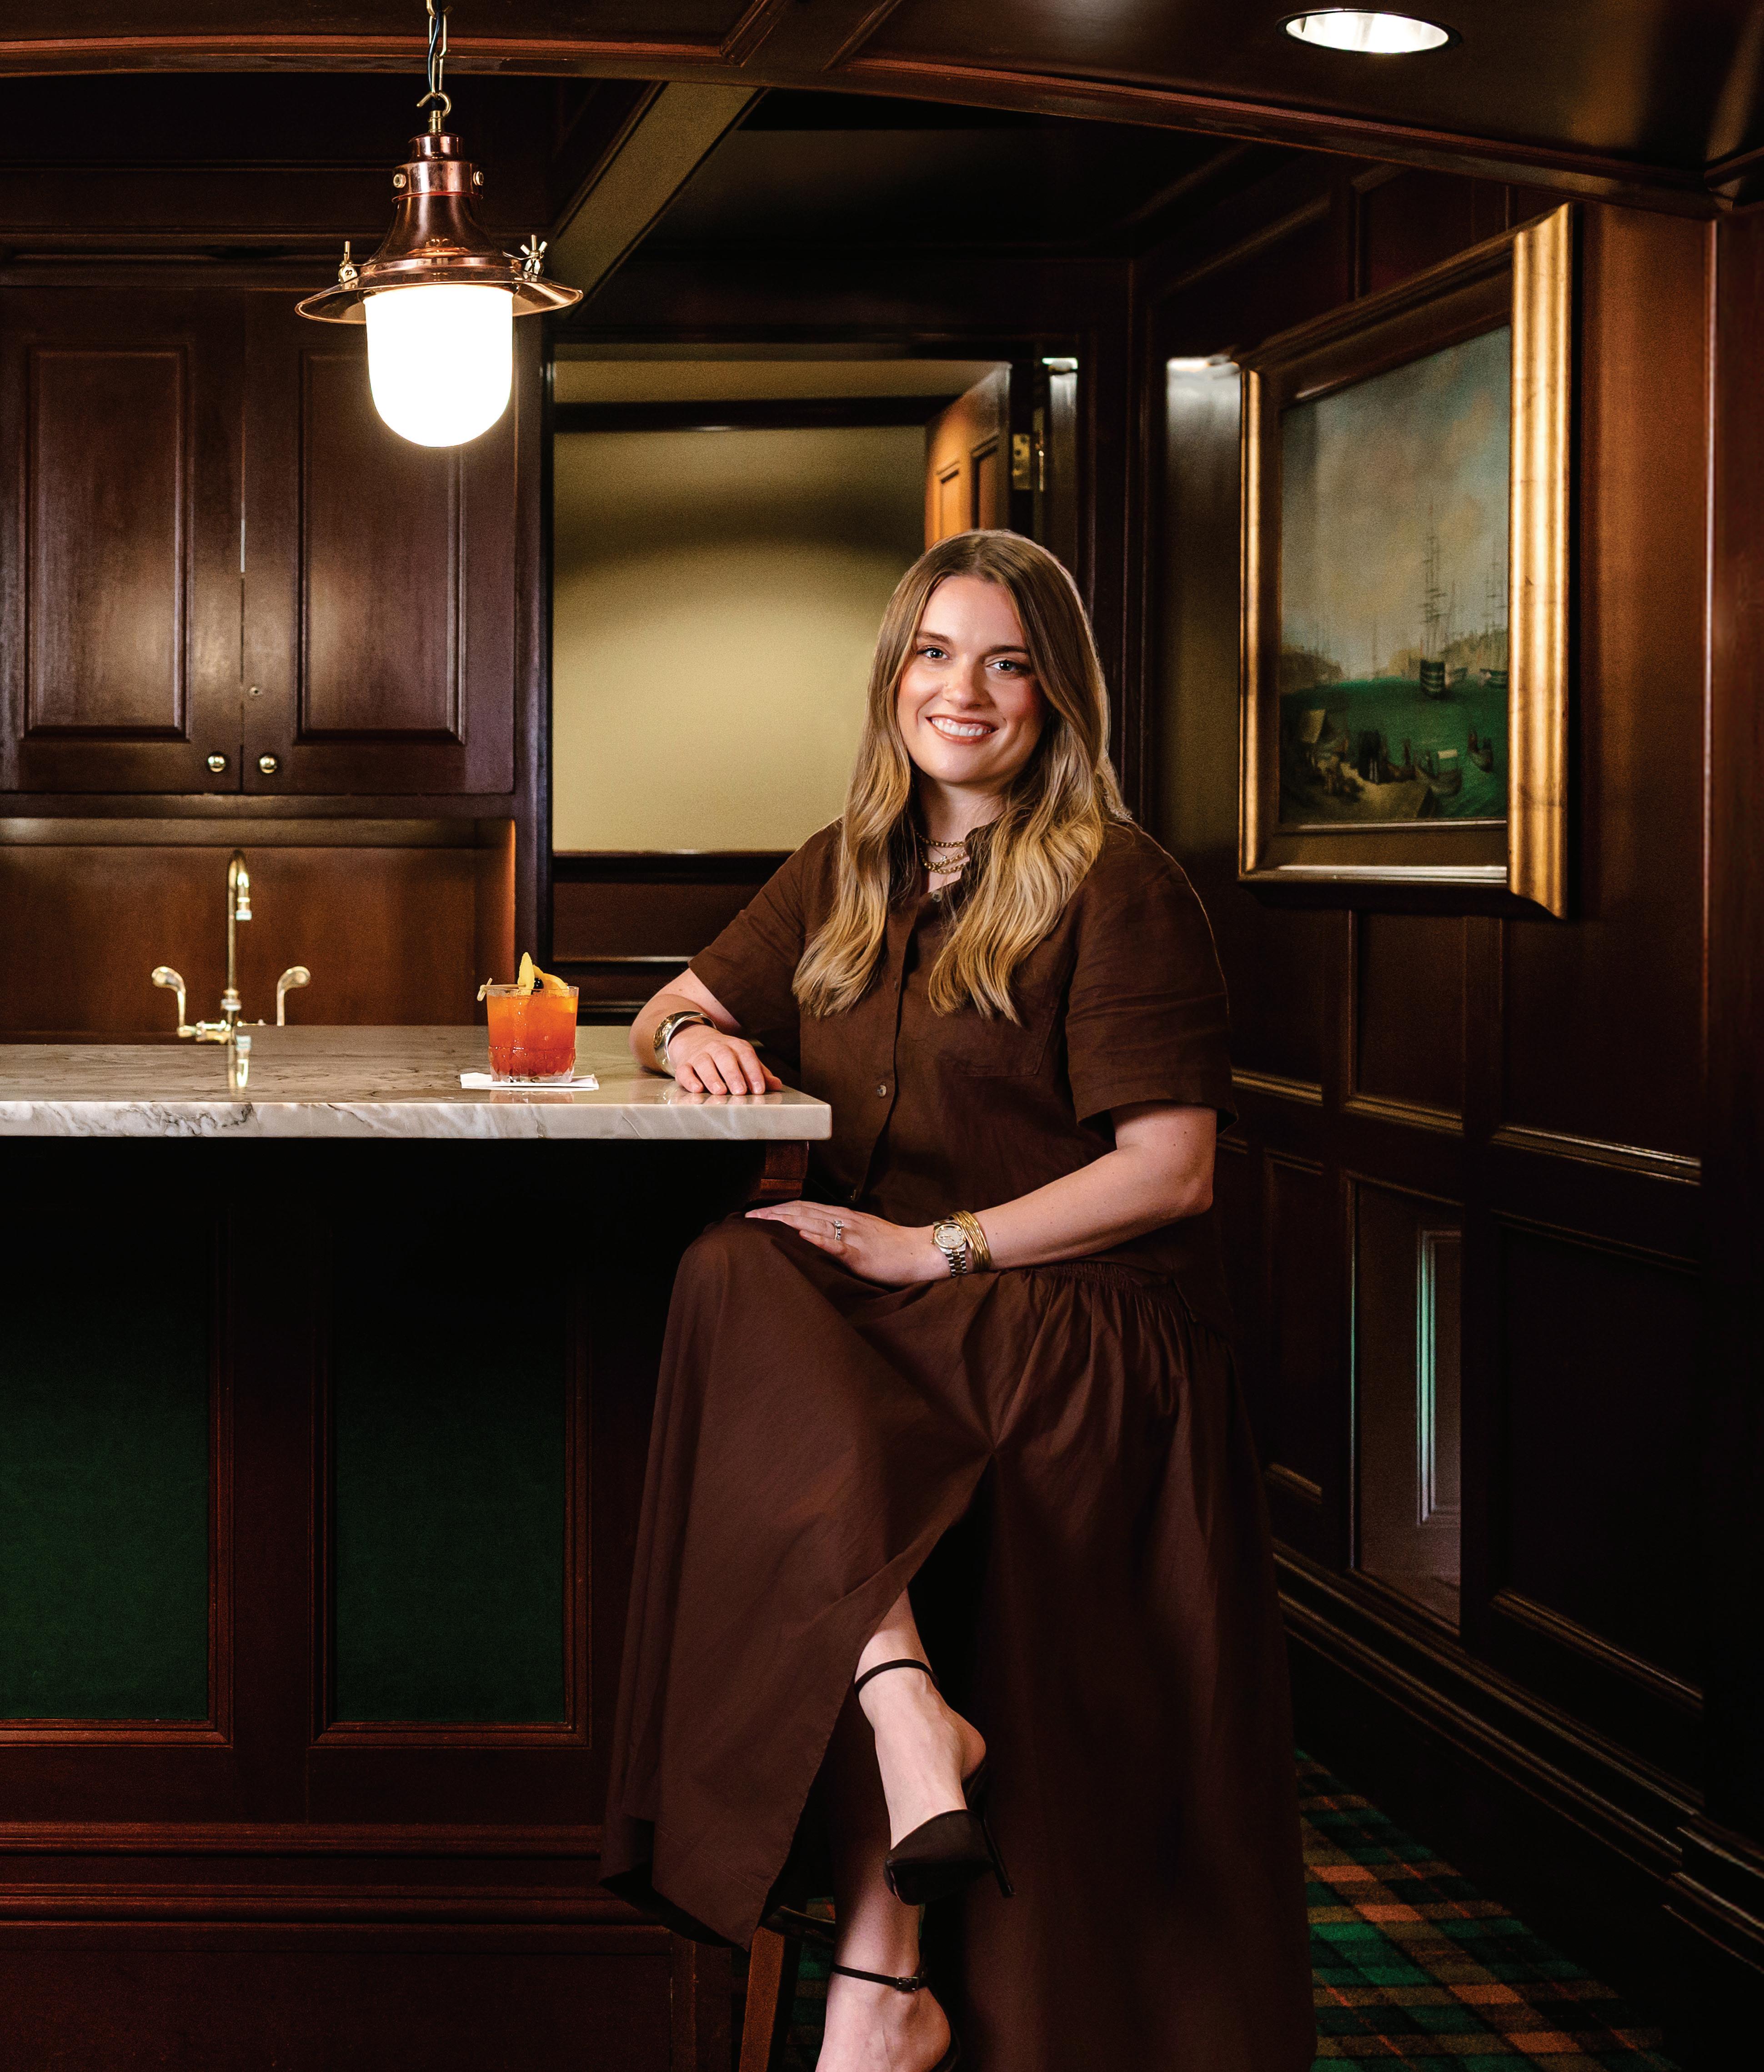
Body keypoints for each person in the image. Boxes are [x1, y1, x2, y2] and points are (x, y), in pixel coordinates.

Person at [603, 530, 1315, 2072]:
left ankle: (881, 1973)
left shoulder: (1120, 882)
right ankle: (907, 1714)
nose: (964, 693)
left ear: (1057, 697)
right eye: (934, 654)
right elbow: (671, 1003)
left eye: (1007, 664)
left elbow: (1174, 1173)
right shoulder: (848, 865)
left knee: (794, 1383)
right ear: (894, 676)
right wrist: (691, 1040)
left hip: (1071, 1310)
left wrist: (939, 1248)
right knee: (734, 1266)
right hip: (898, 1305)